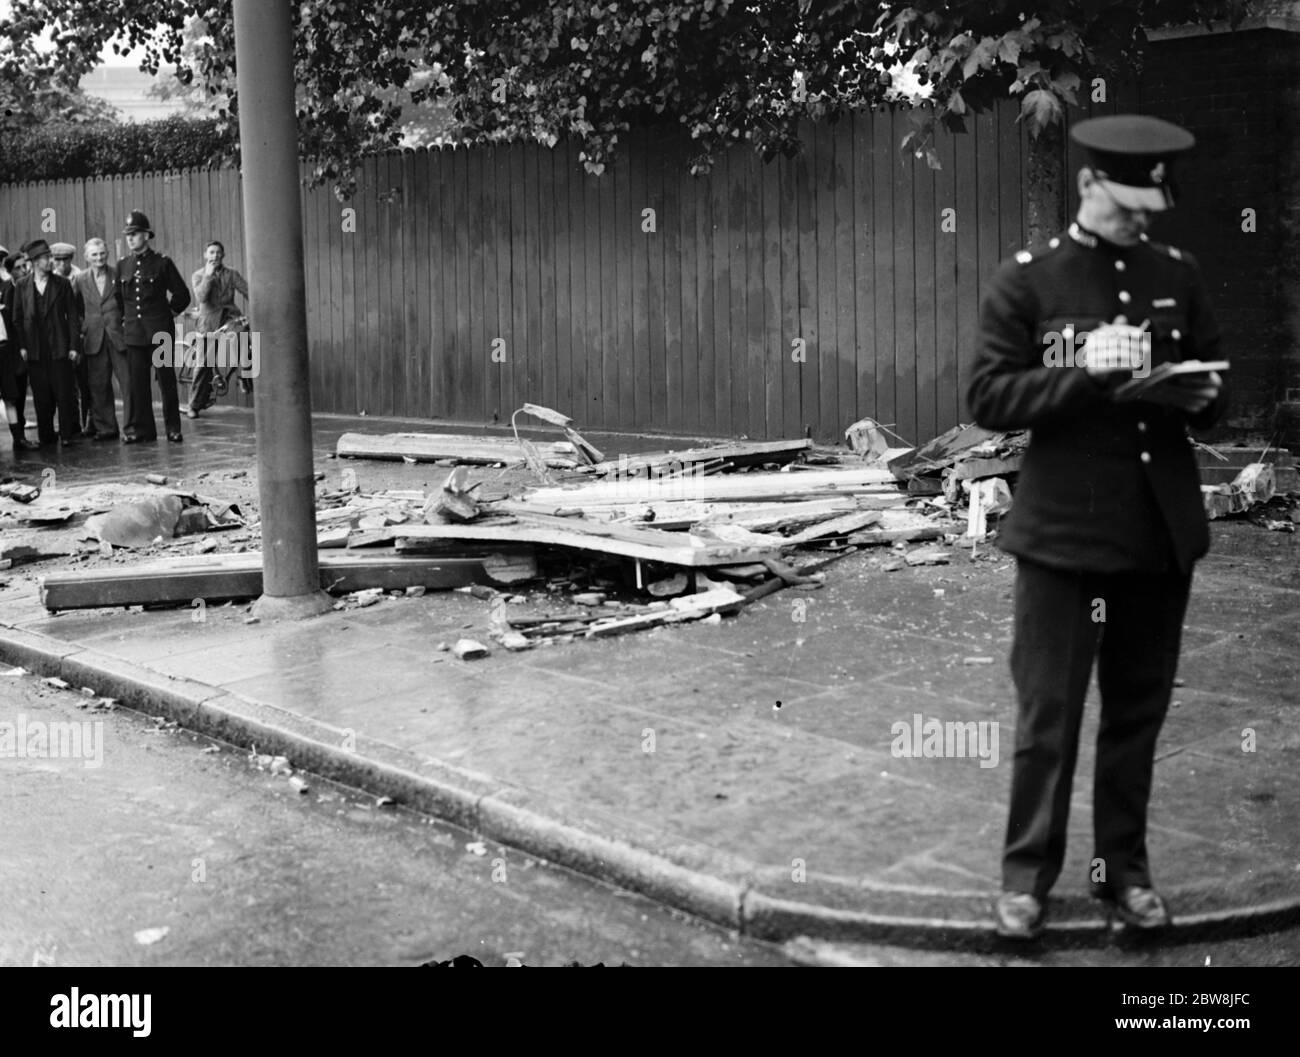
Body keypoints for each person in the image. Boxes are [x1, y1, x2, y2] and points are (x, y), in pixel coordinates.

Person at [966, 114, 1227, 940]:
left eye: (1149, 209)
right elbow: (988, 397)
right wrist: (1082, 372)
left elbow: (1220, 395)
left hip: (1156, 534)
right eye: (1125, 208)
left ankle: (1125, 875)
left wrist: (1195, 390)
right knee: (1050, 716)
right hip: (1062, 540)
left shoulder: (1177, 273)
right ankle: (1026, 882)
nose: (1139, 222)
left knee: (1136, 716)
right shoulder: (1029, 279)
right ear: (1087, 186)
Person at [116, 210, 190, 443]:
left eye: (135, 234)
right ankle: (144, 430)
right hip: (135, 334)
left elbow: (182, 294)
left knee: (166, 382)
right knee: (138, 384)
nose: (131, 238)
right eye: (128, 234)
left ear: (146, 235)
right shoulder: (122, 266)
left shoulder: (162, 263)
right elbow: (120, 300)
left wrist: (168, 313)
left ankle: (173, 429)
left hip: (159, 332)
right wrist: (126, 324)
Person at [13, 239, 82, 448]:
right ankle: (46, 436)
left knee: (64, 392)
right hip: (35, 349)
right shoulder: (23, 286)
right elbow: (17, 319)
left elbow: (72, 315)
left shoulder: (61, 284)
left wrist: (73, 346)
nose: (50, 261)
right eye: (46, 258)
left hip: (59, 346)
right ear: (35, 262)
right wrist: (23, 346)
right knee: (42, 395)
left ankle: (67, 435)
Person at [184, 240, 248, 418]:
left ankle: (245, 378)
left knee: (243, 335)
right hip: (208, 322)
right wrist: (208, 276)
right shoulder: (198, 275)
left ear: (223, 255)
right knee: (204, 363)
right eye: (211, 252)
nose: (215, 256)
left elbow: (248, 291)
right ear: (206, 255)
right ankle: (193, 405)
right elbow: (202, 297)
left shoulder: (231, 274)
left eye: (218, 252)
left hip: (229, 317)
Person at [73, 237, 128, 441]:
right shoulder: (80, 279)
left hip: (117, 335)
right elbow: (75, 307)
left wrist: (123, 322)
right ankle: (106, 428)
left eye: (102, 253)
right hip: (93, 337)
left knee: (128, 382)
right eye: (94, 254)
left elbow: (127, 301)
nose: (99, 258)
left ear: (108, 253)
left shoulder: (118, 273)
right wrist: (84, 326)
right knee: (98, 384)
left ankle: (132, 428)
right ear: (87, 257)